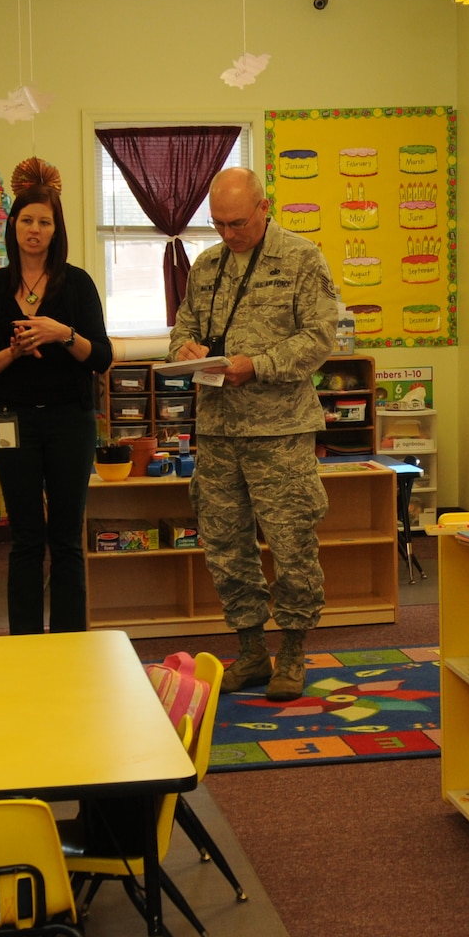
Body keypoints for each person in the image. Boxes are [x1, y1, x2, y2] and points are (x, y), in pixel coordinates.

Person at [169, 167, 338, 700]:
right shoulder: (206, 265)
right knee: (225, 547)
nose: (227, 233)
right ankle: (251, 652)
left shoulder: (302, 259)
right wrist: (185, 351)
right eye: (217, 223)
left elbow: (319, 337)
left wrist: (258, 365)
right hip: (218, 431)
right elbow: (183, 328)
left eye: (237, 222)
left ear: (266, 207)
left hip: (280, 431)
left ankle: (291, 653)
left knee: (291, 546)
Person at [0, 159, 112, 634]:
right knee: (26, 539)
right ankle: (24, 641)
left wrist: (59, 332)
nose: (34, 229)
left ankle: (71, 641)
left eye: (44, 222)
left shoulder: (78, 284)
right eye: (27, 219)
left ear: (55, 229)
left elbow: (101, 357)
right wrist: (12, 350)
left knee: (67, 538)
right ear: (14, 225)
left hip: (71, 422)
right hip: (12, 423)